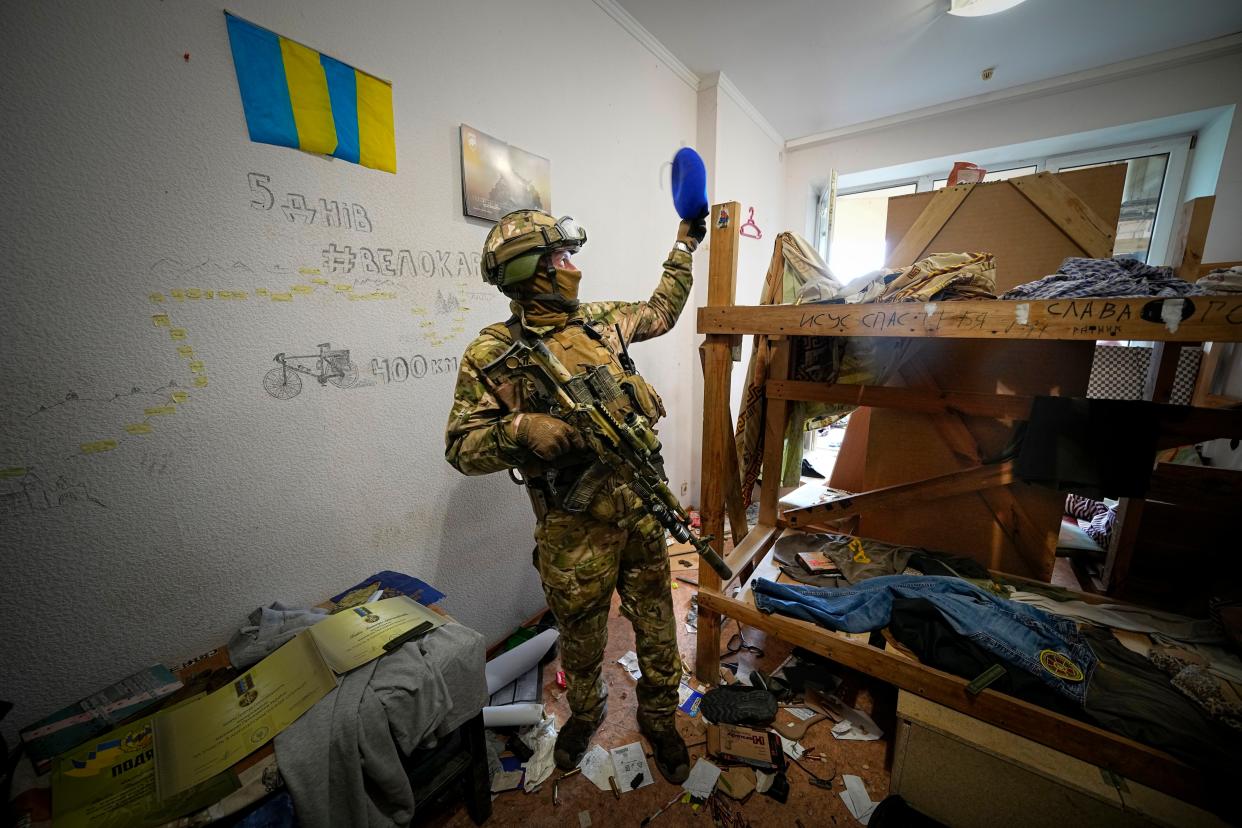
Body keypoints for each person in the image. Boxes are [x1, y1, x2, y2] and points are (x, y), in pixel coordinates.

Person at [445, 209, 705, 782]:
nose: (574, 268)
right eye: (562, 258)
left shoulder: (600, 322)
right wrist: (520, 432)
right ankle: (586, 717)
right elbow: (460, 447)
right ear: (531, 272)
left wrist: (684, 245)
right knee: (582, 645)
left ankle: (660, 717)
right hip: (572, 530)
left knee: (659, 629)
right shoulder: (492, 355)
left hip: (638, 512)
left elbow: (661, 309)